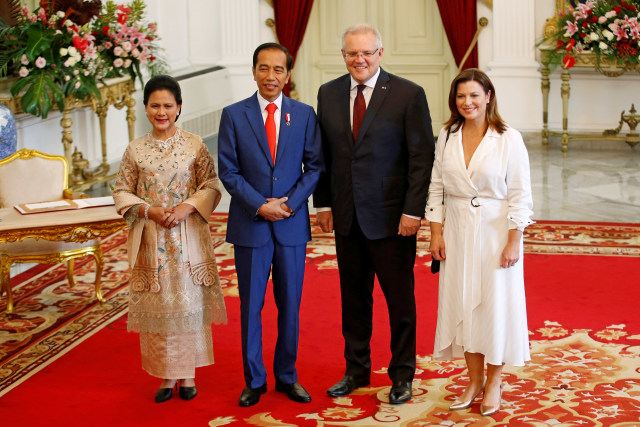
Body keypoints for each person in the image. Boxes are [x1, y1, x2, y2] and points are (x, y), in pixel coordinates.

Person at [313, 24, 435, 404]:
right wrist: (324, 203)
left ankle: (402, 374)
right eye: (352, 53)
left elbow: (421, 158)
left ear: (380, 53)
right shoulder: (329, 93)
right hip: (347, 217)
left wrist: (414, 211)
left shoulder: (408, 94)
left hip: (392, 220)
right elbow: (323, 155)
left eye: (366, 52)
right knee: (354, 299)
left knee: (400, 303)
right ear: (344, 55)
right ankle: (356, 370)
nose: (359, 60)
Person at [218, 42, 323, 407]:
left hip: (291, 225)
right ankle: (255, 379)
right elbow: (228, 171)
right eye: (264, 68)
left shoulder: (305, 115)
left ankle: (287, 376)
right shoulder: (234, 115)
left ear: (288, 75)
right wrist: (261, 205)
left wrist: (290, 205)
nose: (271, 76)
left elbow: (315, 168)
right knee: (251, 306)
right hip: (251, 224)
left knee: (290, 305)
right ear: (254, 71)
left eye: (278, 69)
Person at [426, 68, 534, 417]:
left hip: (494, 231)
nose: (467, 102)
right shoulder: (448, 134)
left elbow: (520, 195)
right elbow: (437, 185)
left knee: (494, 306)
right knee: (461, 304)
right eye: (460, 96)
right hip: (456, 230)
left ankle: (494, 382)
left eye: (474, 95)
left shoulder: (508, 138)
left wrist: (514, 240)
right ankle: (473, 381)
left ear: (488, 96)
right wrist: (436, 232)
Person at [113, 75, 227, 403]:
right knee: (160, 305)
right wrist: (148, 211)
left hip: (189, 236)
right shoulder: (135, 149)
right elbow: (121, 190)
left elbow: (210, 184)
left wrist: (187, 207)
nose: (161, 112)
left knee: (188, 304)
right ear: (146, 108)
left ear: (178, 108)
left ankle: (188, 373)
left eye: (168, 105)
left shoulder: (194, 145)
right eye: (155, 105)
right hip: (152, 240)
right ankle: (165, 375)